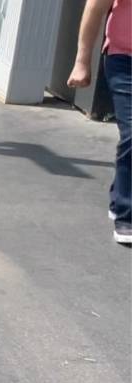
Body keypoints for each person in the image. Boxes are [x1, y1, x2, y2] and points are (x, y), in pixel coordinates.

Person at [69, 0, 131, 244]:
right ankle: (127, 213)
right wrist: (82, 62)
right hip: (125, 60)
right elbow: (95, 7)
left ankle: (121, 193)